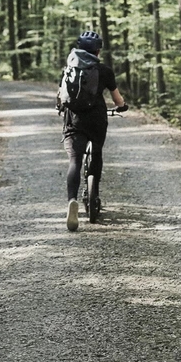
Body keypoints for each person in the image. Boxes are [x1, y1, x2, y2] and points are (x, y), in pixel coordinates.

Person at [59, 31, 127, 232]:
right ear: (98, 51)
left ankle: (72, 201)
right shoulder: (104, 71)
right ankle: (93, 194)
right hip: (97, 119)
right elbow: (117, 100)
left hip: (73, 119)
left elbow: (61, 94)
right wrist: (122, 106)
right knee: (96, 152)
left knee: (75, 160)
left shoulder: (69, 69)